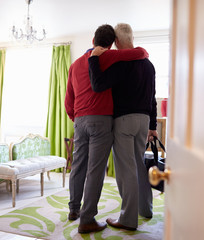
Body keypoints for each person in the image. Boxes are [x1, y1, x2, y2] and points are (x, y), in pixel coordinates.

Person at [64, 24, 149, 234]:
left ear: (93, 39)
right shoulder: (110, 58)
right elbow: (136, 53)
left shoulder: (74, 65)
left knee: (78, 165)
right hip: (101, 121)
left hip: (80, 120)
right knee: (96, 170)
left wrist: (77, 118)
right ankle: (87, 218)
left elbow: (68, 101)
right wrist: (144, 51)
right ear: (111, 44)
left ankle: (73, 209)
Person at [88, 23, 158, 231]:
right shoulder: (149, 64)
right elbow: (152, 98)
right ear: (132, 38)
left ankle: (127, 219)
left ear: (117, 42)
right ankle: (146, 209)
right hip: (144, 121)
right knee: (139, 164)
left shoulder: (121, 63)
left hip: (124, 121)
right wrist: (153, 126)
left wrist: (93, 59)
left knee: (125, 169)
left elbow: (98, 84)